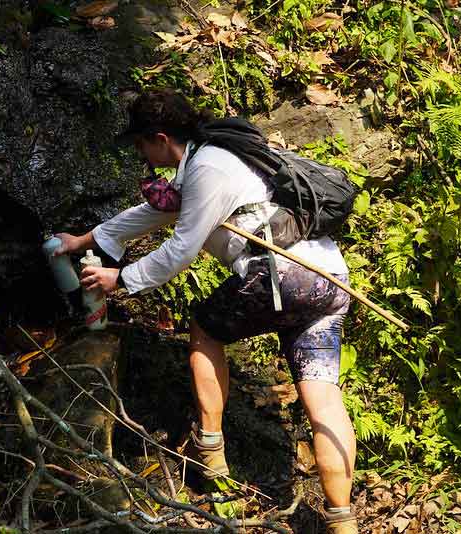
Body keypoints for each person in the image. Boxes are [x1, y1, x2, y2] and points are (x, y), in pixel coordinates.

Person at [54, 89, 359, 533]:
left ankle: (211, 455)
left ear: (160, 138)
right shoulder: (216, 159)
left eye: (141, 144)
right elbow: (154, 212)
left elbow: (181, 248)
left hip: (283, 274)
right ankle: (342, 521)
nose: (140, 154)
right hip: (327, 280)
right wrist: (85, 241)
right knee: (323, 395)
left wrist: (121, 279)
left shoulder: (206, 168)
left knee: (206, 329)